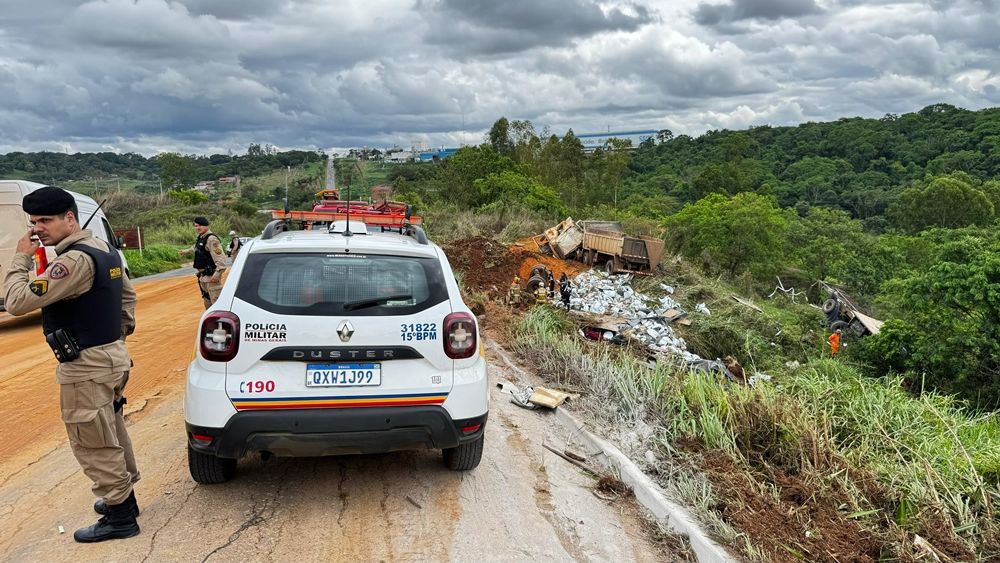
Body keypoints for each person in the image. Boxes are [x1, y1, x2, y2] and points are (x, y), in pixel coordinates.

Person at [2, 186, 140, 543]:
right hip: (111, 356)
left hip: (87, 365)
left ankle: (120, 514)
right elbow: (128, 298)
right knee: (110, 428)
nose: (38, 229)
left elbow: (16, 302)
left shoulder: (72, 261)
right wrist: (116, 338)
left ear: (70, 218)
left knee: (92, 440)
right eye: (33, 222)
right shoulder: (103, 249)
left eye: (45, 220)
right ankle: (125, 499)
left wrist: (21, 259)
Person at [179, 217, 227, 309]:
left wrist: (217, 274)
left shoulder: (211, 239)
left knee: (217, 304)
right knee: (208, 302)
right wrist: (186, 251)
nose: (197, 228)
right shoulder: (201, 238)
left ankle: (221, 322)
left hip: (211, 276)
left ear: (206, 226)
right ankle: (212, 322)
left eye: (200, 225)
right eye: (196, 226)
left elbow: (221, 259)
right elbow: (196, 248)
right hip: (203, 277)